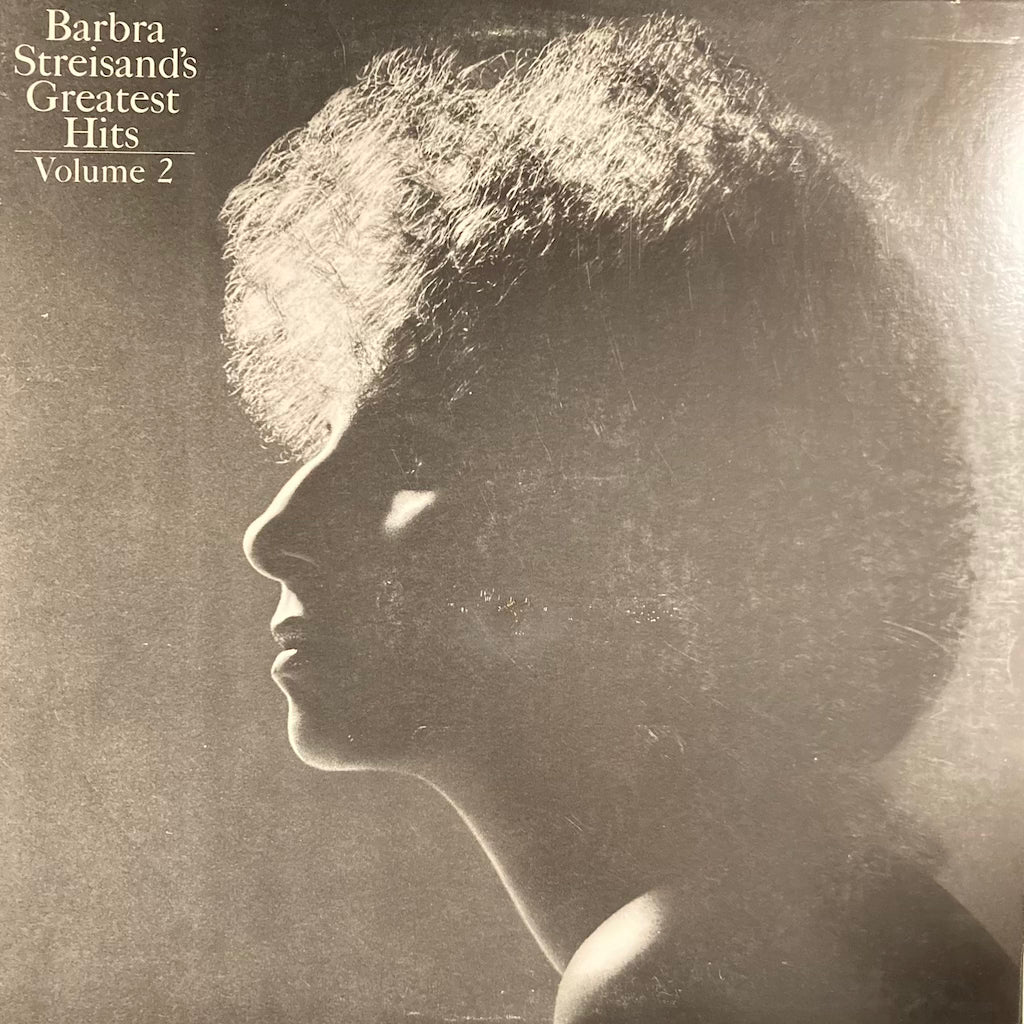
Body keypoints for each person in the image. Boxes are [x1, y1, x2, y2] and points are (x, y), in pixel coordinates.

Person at [221, 15, 1019, 1022]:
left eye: (416, 454)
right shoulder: (844, 929)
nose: (274, 533)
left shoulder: (680, 975)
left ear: (635, 531)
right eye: (324, 439)